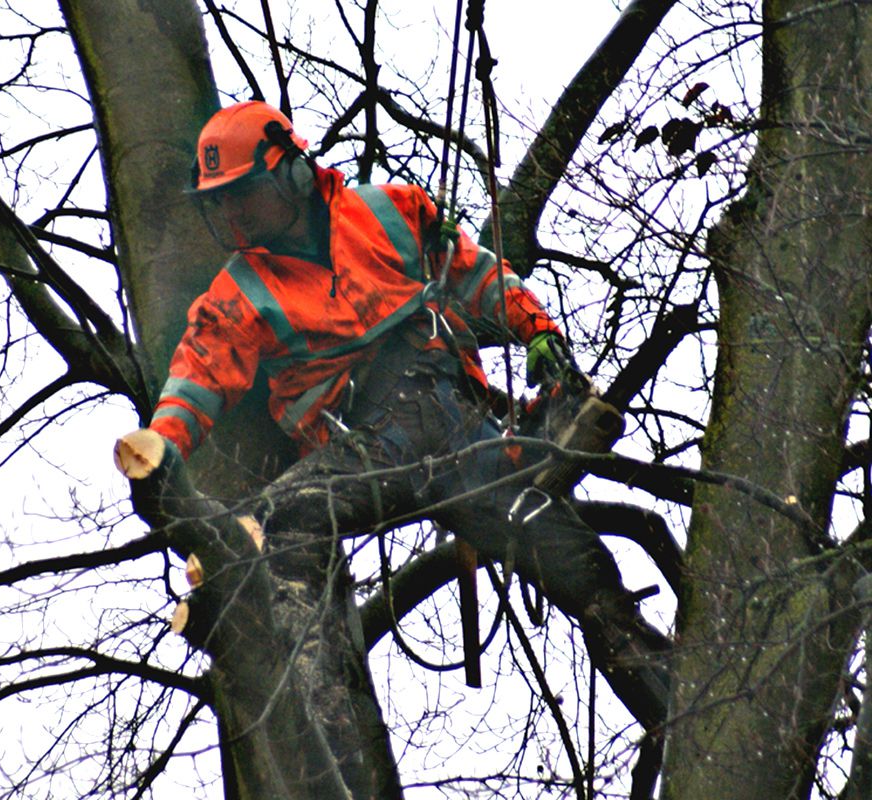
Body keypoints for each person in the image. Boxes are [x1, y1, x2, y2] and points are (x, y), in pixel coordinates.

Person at [126, 101, 669, 731]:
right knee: (278, 530)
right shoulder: (238, 293)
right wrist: (158, 455)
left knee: (583, 570)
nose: (232, 213)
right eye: (220, 201)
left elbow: (473, 274)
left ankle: (682, 713)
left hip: (458, 423)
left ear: (292, 174)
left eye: (242, 194)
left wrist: (538, 331)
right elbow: (197, 379)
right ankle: (321, 724)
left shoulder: (390, 211)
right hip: (367, 442)